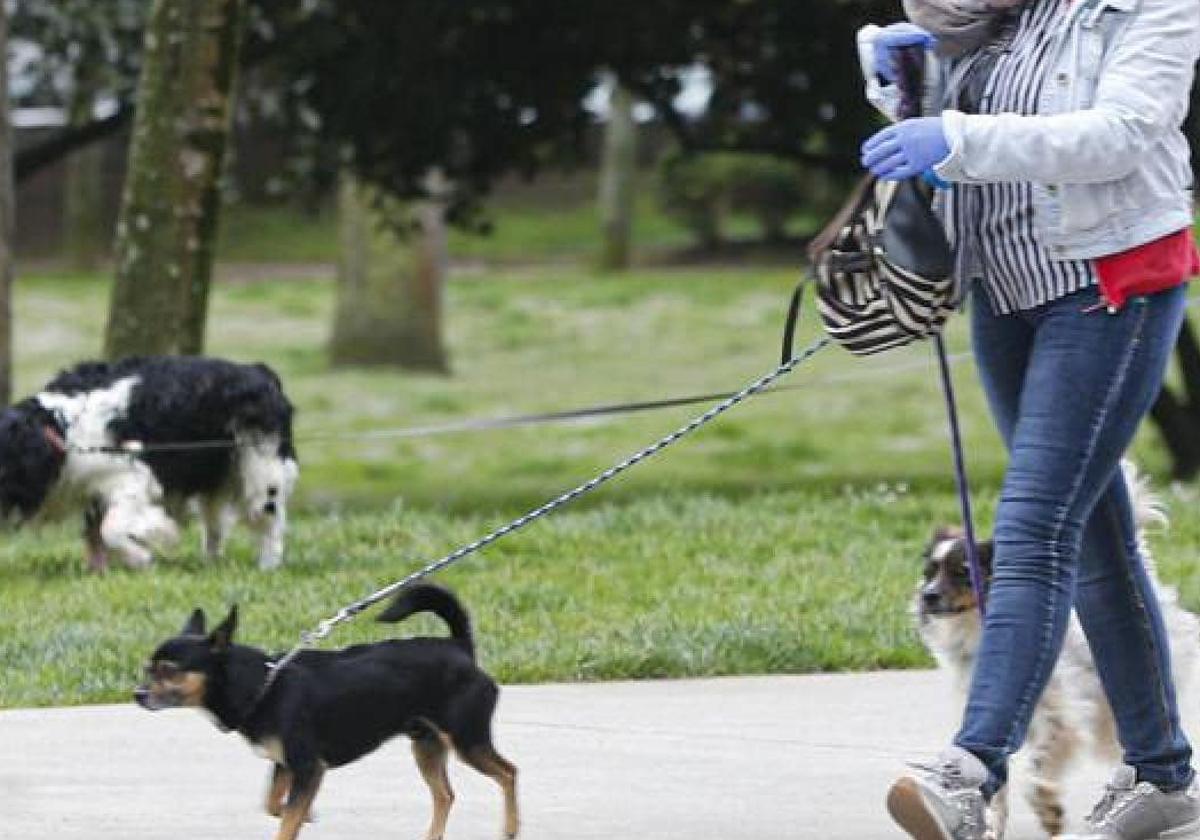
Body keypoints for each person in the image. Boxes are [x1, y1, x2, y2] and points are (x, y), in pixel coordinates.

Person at [860, 1, 1200, 839]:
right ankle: (1163, 775)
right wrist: (909, 81)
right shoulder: (998, 9)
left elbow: (1120, 132)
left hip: (1109, 284)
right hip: (1005, 291)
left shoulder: (1155, 5)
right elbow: (966, 115)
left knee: (1036, 526)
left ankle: (970, 770)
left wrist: (958, 142)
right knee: (1094, 537)